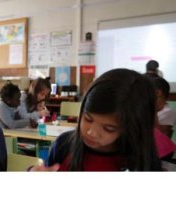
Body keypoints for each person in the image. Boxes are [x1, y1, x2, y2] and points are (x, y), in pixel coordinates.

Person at [30, 68, 163, 171]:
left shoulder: (140, 161)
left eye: (108, 128)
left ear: (131, 128)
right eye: (88, 119)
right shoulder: (63, 145)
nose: (91, 132)